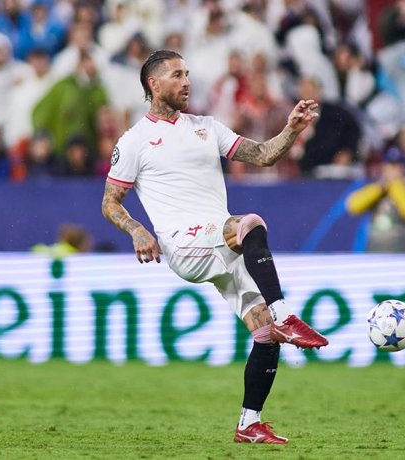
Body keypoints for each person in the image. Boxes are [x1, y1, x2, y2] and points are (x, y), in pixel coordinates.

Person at [101, 50, 328, 444]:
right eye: (176, 75)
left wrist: (292, 129)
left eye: (188, 73)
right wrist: (137, 230)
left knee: (264, 332)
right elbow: (110, 202)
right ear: (153, 84)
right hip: (185, 244)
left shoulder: (206, 127)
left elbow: (264, 155)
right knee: (251, 223)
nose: (186, 81)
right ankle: (287, 314)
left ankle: (249, 423)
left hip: (221, 240)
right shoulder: (135, 140)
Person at [346, 147, 405, 253]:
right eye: (389, 166)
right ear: (383, 168)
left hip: (403, 253)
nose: (392, 170)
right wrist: (379, 189)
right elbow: (353, 206)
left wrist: (395, 186)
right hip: (374, 253)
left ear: (403, 168)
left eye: (396, 166)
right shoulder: (376, 189)